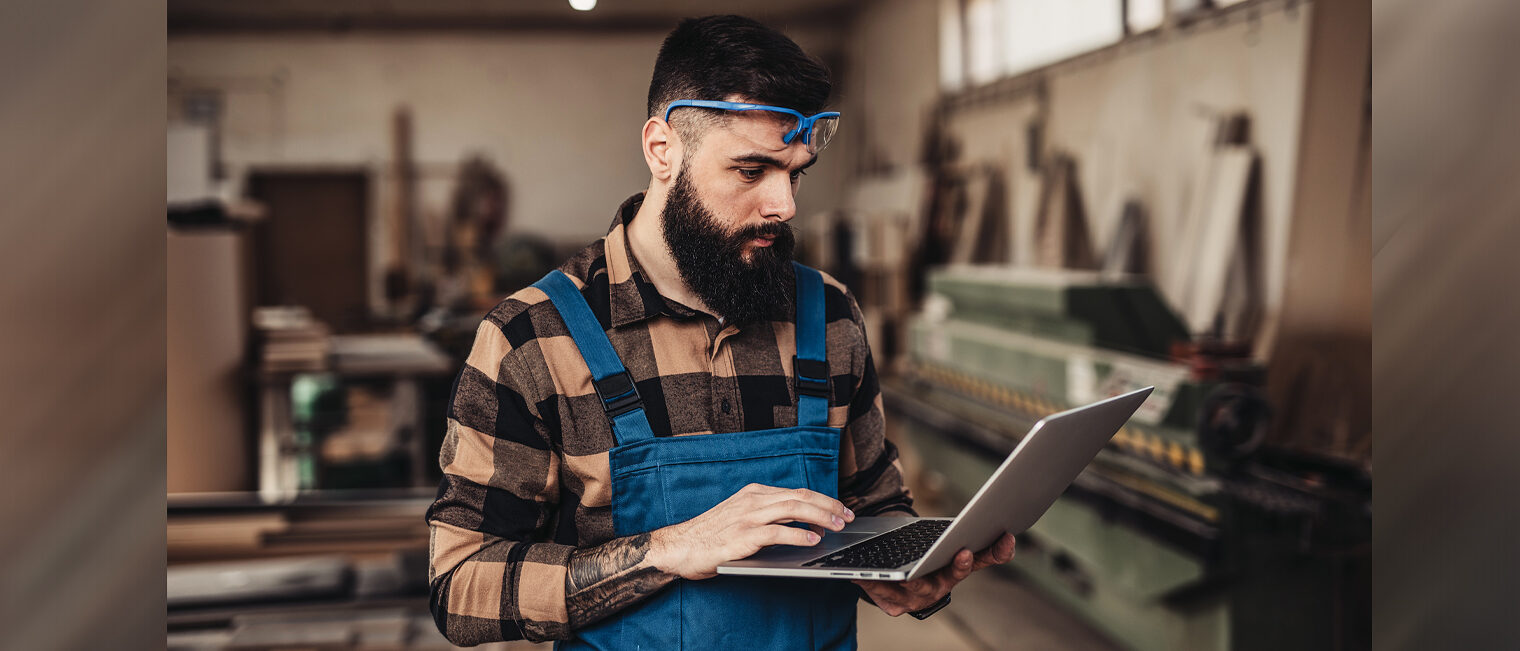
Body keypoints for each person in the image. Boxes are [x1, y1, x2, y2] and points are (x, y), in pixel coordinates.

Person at [425, 15, 1015, 649]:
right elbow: (460, 586)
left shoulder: (830, 315)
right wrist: (671, 549)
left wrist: (909, 570)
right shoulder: (533, 338)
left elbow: (875, 505)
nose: (784, 205)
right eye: (751, 170)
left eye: (796, 173)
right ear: (662, 150)